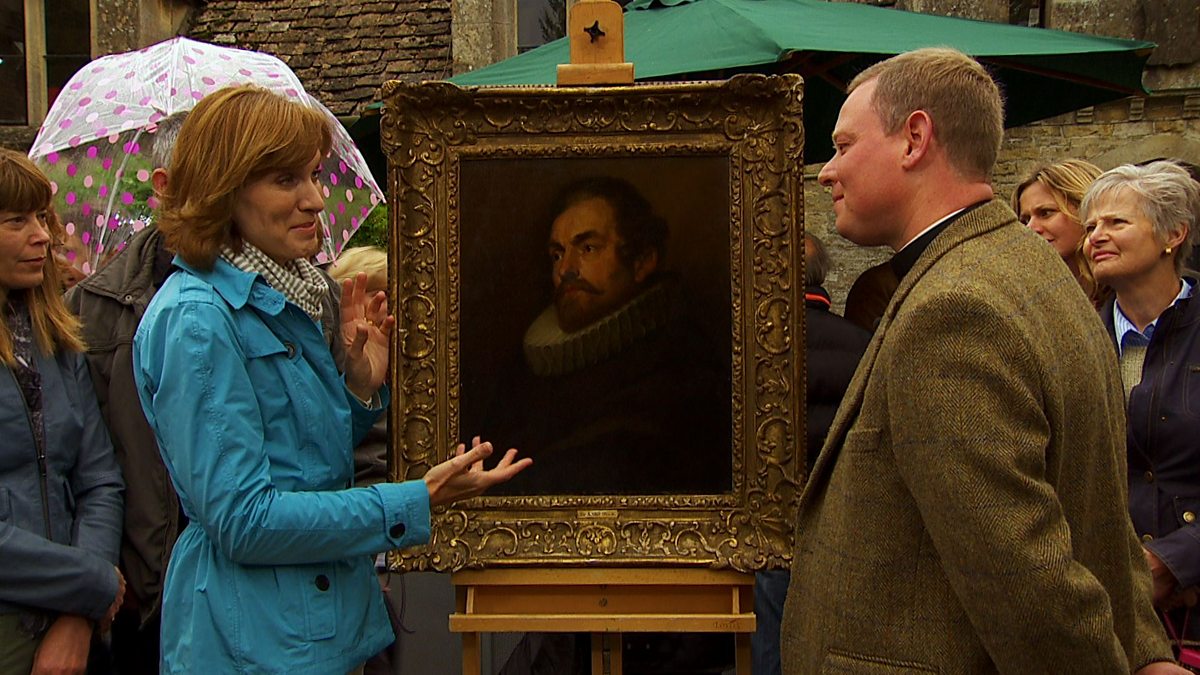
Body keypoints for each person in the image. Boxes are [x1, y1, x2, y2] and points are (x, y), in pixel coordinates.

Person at [783, 47, 1182, 673]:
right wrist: (1145, 652)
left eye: (843, 145)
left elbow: (1024, 578)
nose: (826, 173)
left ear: (915, 138)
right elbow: (1098, 520)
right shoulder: (1030, 271)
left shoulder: (955, 308)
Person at [129, 84, 530, 673]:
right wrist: (414, 500)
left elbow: (297, 459)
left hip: (310, 629)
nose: (316, 199)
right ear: (223, 189)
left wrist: (359, 389)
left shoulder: (282, 294)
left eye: (314, 175)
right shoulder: (198, 320)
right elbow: (245, 522)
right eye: (286, 180)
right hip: (255, 644)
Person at [483, 175, 728, 496]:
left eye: (588, 248)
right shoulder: (521, 373)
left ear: (642, 262)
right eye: (557, 254)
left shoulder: (683, 364)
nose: (566, 269)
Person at [63, 110, 188, 675]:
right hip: (139, 600)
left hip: (244, 588)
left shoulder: (277, 297)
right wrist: (99, 576)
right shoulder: (91, 307)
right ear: (164, 187)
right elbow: (80, 464)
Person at [0, 149, 125, 673]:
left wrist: (78, 616)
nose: (43, 237)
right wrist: (92, 582)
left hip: (73, 626)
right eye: (16, 221)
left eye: (41, 217)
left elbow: (100, 480)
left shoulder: (57, 342)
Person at [1081, 161, 1200, 659]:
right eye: (1090, 226)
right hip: (1104, 611)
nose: (1096, 236)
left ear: (1173, 234)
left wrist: (1173, 561)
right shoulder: (1075, 337)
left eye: (1116, 222)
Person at [752, 233, 869, 675]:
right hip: (840, 516)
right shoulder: (863, 345)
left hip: (770, 520)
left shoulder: (749, 350)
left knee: (772, 641)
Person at [1013, 158, 1104, 303]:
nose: (1030, 228)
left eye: (1045, 213)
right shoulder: (1028, 301)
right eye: (1025, 220)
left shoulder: (1126, 294)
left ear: (1086, 210)